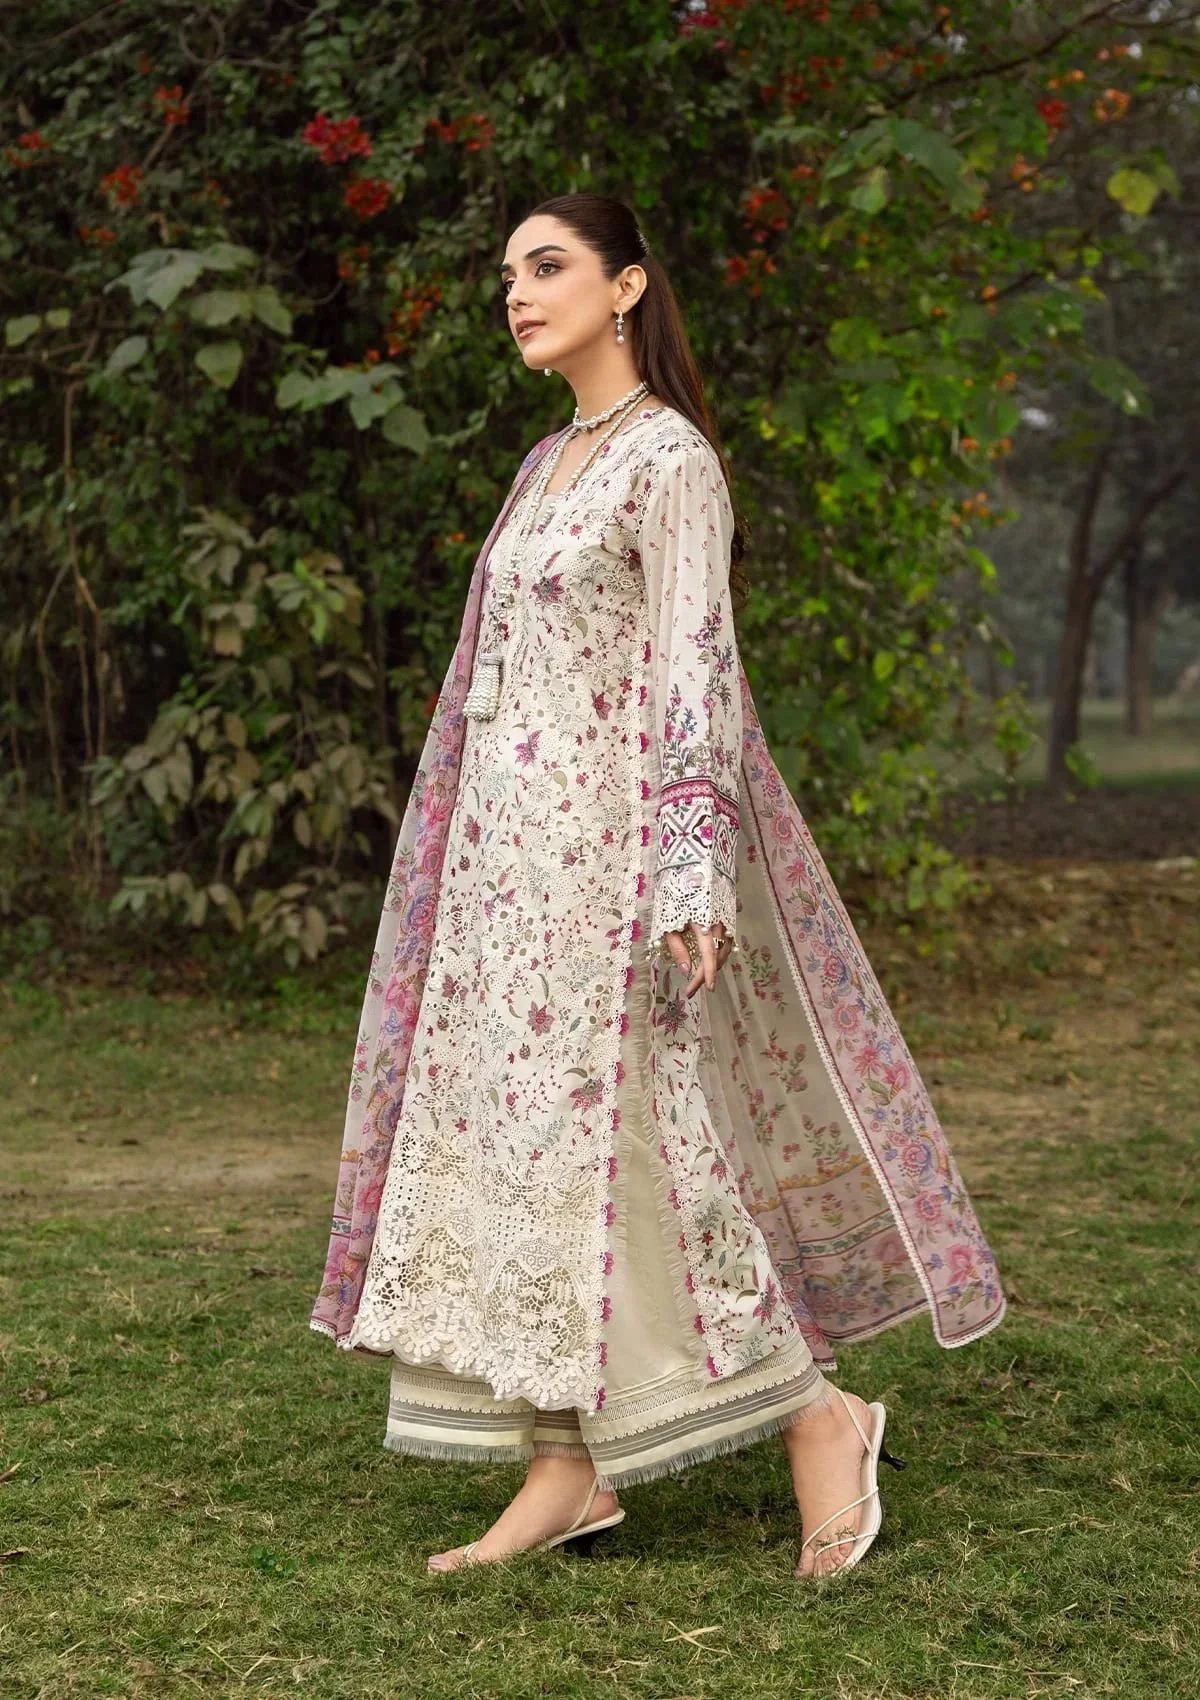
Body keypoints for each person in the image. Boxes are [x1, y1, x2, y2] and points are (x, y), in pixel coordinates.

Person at [310, 192, 1005, 1580]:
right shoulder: (545, 464)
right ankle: (567, 1469)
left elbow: (697, 671)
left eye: (547, 266)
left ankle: (822, 1416)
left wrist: (691, 870)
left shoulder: (670, 459)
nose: (517, 293)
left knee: (650, 1155)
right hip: (506, 877)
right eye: (506, 274)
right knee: (527, 1159)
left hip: (614, 867)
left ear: (627, 285)